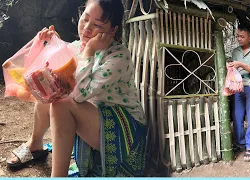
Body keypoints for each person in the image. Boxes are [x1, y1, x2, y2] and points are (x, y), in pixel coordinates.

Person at [6, 0, 147, 177]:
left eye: (97, 25)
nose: (87, 28)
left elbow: (79, 95)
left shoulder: (118, 57)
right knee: (52, 90)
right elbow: (60, 62)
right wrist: (51, 42)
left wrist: (89, 51)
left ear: (112, 31)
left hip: (126, 129)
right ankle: (35, 144)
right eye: (85, 18)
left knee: (62, 103)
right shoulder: (79, 46)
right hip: (96, 116)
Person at [228, 22, 250, 162]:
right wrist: (230, 68)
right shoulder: (235, 51)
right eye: (237, 36)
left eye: (242, 36)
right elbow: (234, 71)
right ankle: (240, 143)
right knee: (236, 116)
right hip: (238, 87)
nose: (239, 39)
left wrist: (241, 64)